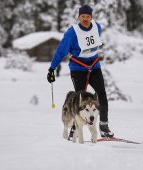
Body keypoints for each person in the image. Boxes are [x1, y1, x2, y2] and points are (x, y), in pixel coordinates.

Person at [47, 4, 114, 138]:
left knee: (101, 95)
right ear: (78, 17)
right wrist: (52, 69)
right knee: (79, 100)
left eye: (88, 16)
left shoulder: (97, 27)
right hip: (78, 69)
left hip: (94, 66)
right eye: (82, 16)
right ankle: (74, 129)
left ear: (91, 17)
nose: (85, 19)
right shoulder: (72, 33)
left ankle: (104, 126)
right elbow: (61, 51)